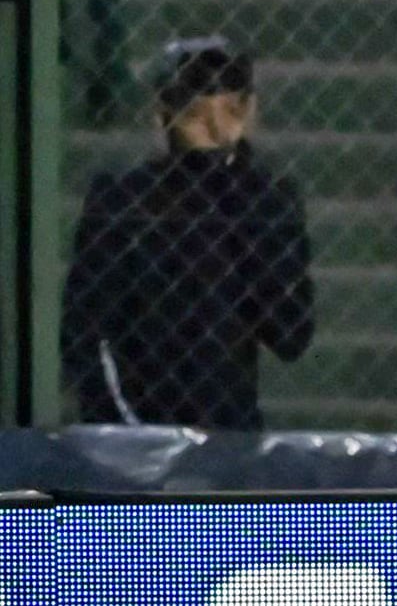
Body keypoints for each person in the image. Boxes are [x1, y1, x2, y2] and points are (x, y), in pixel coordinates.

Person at [61, 37, 314, 431]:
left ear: (249, 110)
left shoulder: (264, 198)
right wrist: (125, 434)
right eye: (196, 114)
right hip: (142, 431)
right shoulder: (127, 200)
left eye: (231, 111)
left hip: (232, 432)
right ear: (164, 115)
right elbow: (86, 332)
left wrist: (245, 204)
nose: (217, 130)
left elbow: (290, 333)